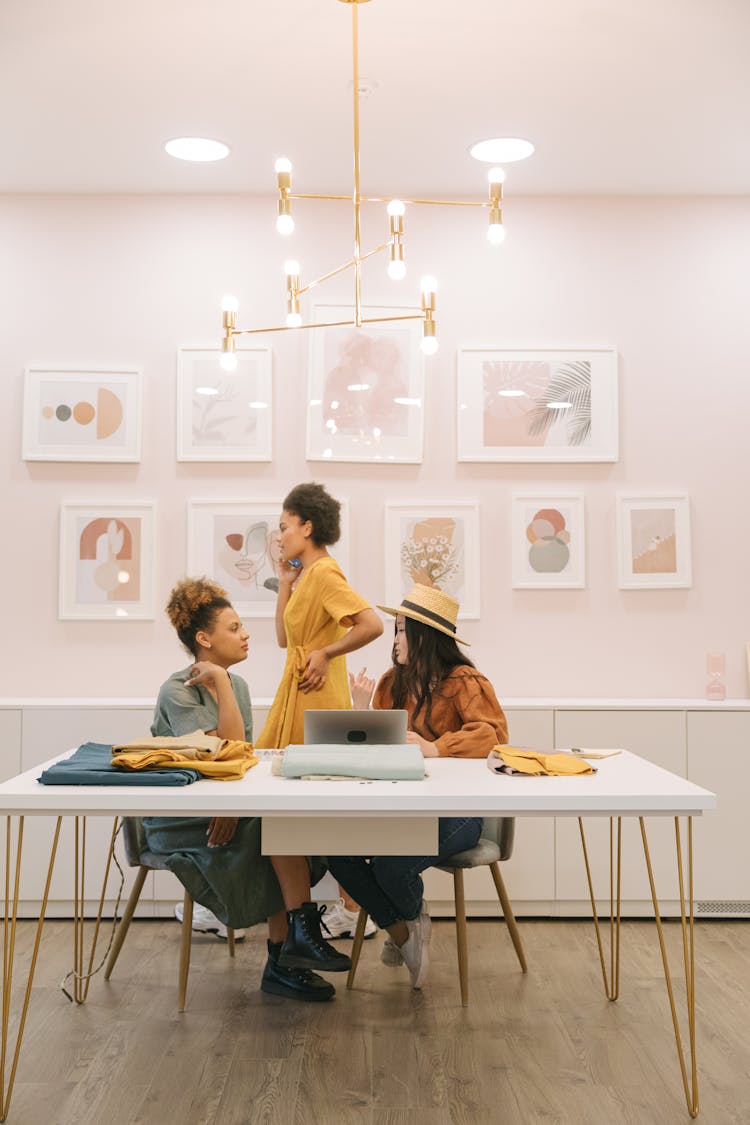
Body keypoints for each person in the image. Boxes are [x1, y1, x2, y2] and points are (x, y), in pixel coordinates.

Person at [145, 577, 352, 1002]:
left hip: (225, 803)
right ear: (204, 638)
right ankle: (287, 954)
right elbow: (222, 755)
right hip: (182, 815)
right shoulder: (176, 691)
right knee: (271, 830)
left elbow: (240, 760)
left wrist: (235, 804)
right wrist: (220, 680)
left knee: (281, 824)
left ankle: (289, 950)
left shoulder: (235, 686)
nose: (246, 634)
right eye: (235, 628)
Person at [329, 582, 508, 989]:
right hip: (399, 810)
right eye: (395, 629)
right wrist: (362, 713)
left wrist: (438, 748)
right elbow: (380, 749)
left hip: (460, 814)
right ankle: (405, 930)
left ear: (425, 637)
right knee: (336, 853)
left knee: (393, 865)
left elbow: (494, 736)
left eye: (401, 630)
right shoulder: (392, 683)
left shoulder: (466, 681)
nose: (394, 640)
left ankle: (402, 928)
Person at [255, 482, 384, 938]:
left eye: (285, 526)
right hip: (298, 692)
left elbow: (372, 624)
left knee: (313, 811)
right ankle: (300, 920)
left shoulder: (327, 574)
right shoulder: (306, 576)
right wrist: (285, 580)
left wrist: (327, 654)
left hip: (316, 695)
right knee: (284, 812)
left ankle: (344, 911)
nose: (280, 534)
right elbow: (284, 640)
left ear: (308, 527)